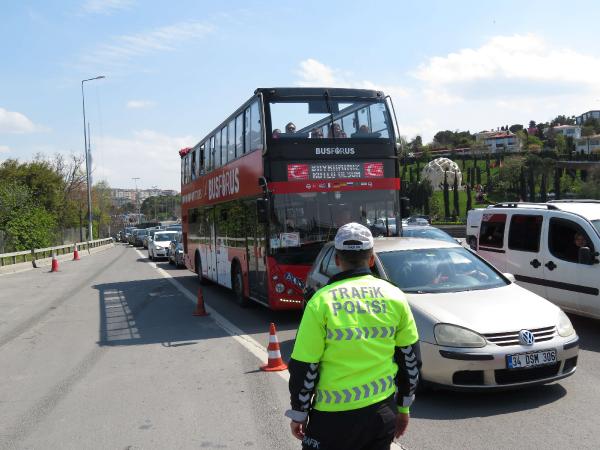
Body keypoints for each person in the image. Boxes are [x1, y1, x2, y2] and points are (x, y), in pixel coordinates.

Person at [286, 223, 420, 450]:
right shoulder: (395, 296)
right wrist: (404, 408)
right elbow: (411, 360)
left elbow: (304, 366)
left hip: (331, 421)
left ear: (337, 260)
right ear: (371, 259)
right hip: (381, 413)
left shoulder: (321, 301)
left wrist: (299, 413)